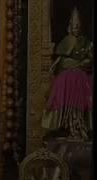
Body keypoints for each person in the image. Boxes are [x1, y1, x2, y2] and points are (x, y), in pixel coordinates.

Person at [42, 7, 93, 140]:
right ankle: (67, 126)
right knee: (61, 88)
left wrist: (80, 64)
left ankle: (79, 127)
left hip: (82, 76)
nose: (75, 29)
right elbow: (60, 61)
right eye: (73, 26)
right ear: (69, 27)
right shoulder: (65, 41)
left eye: (78, 26)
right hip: (65, 78)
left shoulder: (86, 42)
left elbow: (89, 58)